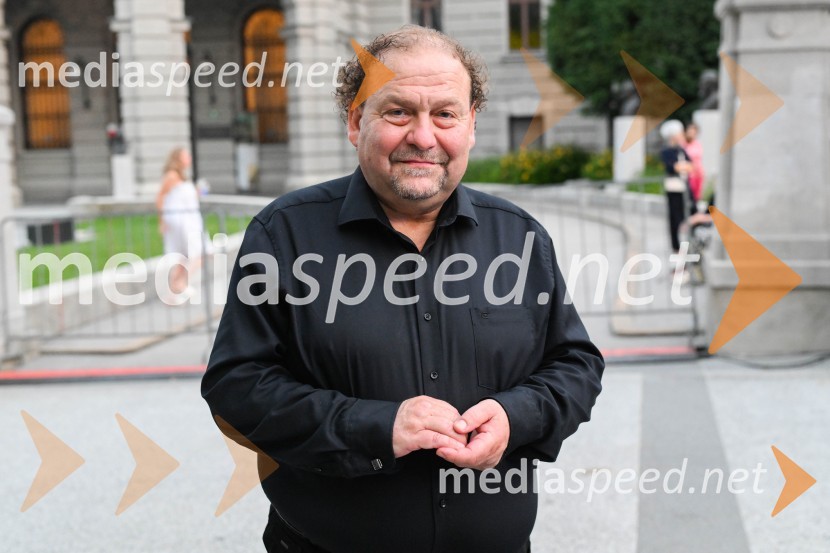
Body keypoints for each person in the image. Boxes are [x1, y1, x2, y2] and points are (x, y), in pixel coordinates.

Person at [202, 25, 604, 553]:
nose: (423, 136)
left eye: (445, 113)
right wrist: (375, 426)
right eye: (398, 112)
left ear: (471, 124)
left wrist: (515, 416)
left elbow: (576, 364)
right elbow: (236, 387)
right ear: (355, 120)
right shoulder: (284, 235)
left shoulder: (521, 236)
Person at [155, 147, 205, 298]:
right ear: (178, 158)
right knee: (195, 254)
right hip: (180, 222)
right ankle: (178, 285)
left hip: (189, 220)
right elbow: (160, 198)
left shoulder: (182, 176)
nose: (189, 158)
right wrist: (162, 220)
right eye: (186, 156)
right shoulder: (171, 176)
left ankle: (176, 289)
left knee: (187, 255)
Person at [659, 120, 695, 255]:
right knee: (674, 218)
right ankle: (676, 247)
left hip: (685, 187)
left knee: (691, 212)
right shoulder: (666, 151)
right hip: (673, 188)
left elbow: (691, 166)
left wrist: (682, 166)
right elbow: (673, 167)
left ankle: (691, 243)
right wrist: (682, 166)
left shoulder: (681, 150)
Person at [684, 122, 705, 203]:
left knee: (697, 197)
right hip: (688, 174)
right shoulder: (683, 144)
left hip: (698, 173)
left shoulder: (697, 144)